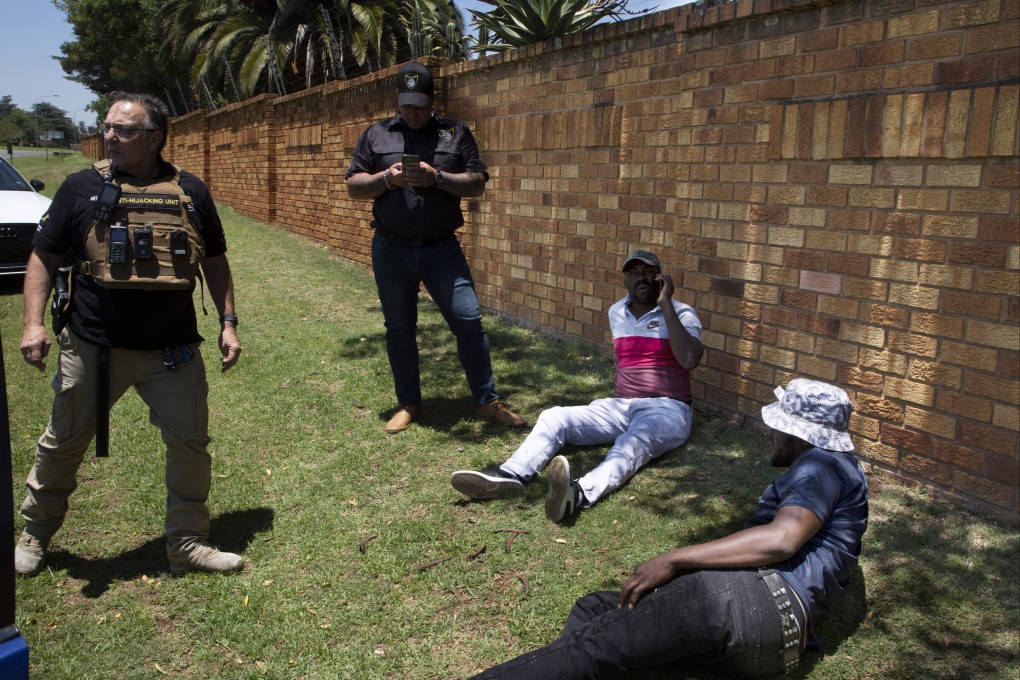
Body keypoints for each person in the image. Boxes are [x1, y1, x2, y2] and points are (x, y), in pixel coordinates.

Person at [469, 379, 869, 679]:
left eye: (779, 426)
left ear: (799, 433)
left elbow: (782, 539)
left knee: (596, 645)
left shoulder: (819, 464)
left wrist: (673, 559)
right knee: (596, 609)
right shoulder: (846, 472)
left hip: (754, 601)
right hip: (773, 639)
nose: (772, 432)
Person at [15, 92, 244, 576]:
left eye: (123, 130)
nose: (110, 137)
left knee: (190, 446)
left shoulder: (191, 192)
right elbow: (44, 257)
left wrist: (228, 323)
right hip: (94, 346)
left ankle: (187, 543)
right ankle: (35, 532)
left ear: (155, 138)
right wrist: (33, 323)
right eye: (108, 127)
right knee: (63, 443)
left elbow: (215, 262)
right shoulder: (80, 188)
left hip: (172, 349)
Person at [451, 249, 703, 522]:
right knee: (554, 417)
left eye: (648, 271)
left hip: (668, 408)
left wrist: (666, 305)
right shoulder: (617, 311)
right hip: (621, 406)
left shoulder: (681, 313)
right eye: (634, 272)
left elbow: (689, 359)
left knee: (631, 443)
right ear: (625, 280)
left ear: (660, 277)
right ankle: (511, 475)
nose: (641, 277)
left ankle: (578, 493)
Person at [344, 62, 526, 434]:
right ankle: (408, 404)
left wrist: (437, 178)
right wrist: (386, 178)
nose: (412, 113)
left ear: (432, 100)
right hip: (391, 249)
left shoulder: (455, 133)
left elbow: (477, 182)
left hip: (442, 250)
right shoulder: (377, 134)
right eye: (406, 106)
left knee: (468, 320)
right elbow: (354, 185)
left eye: (420, 106)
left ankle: (487, 401)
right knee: (399, 328)